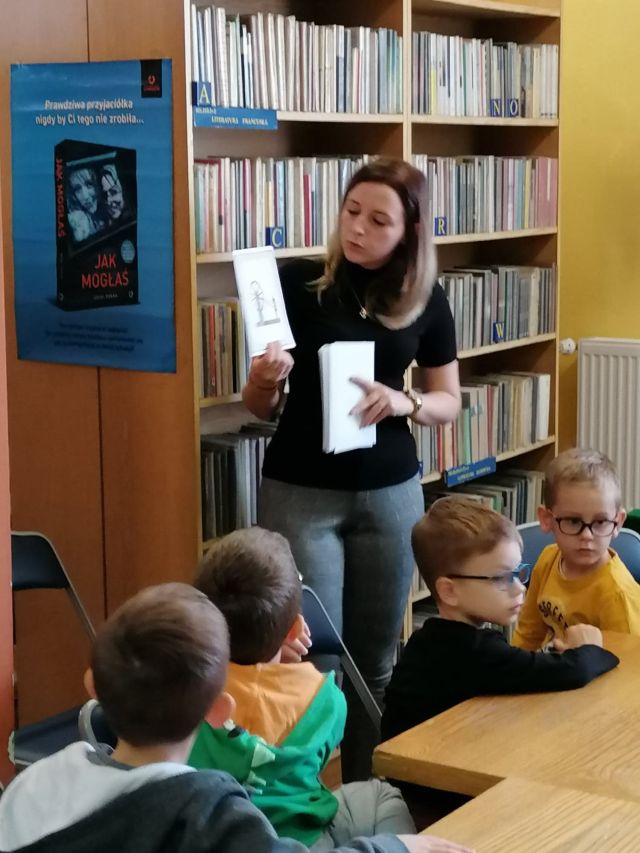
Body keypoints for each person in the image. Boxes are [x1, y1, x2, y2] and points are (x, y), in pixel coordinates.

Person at [242, 158, 461, 781]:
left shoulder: (424, 297)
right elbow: (259, 406)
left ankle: (366, 797)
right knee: (312, 662)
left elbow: (448, 401)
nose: (358, 228)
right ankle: (305, 801)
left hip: (390, 492)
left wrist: (404, 401)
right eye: (351, 211)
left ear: (410, 232)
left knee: (375, 661)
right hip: (301, 490)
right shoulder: (298, 283)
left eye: (379, 220)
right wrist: (264, 380)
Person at [0, 583, 470, 853]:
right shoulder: (205, 809)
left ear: (93, 687)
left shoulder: (34, 783)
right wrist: (400, 847)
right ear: (218, 711)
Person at [190, 528, 426, 851]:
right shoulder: (325, 698)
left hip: (220, 840)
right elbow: (313, 762)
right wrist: (284, 668)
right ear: (295, 630)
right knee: (381, 794)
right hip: (304, 842)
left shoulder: (185, 689)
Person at [381, 496, 619, 743]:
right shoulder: (473, 651)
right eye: (500, 578)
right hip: (419, 766)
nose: (519, 588)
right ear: (449, 591)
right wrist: (589, 647)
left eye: (518, 573)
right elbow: (571, 672)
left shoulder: (430, 638)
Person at [513, 448, 640, 650]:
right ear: (547, 519)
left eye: (600, 522)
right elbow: (528, 635)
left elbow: (627, 664)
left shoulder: (617, 595)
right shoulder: (547, 560)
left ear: (617, 523)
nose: (587, 535)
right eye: (573, 521)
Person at [66, 166, 105, 241]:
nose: (85, 196)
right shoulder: (79, 220)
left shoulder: (108, 209)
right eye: (77, 189)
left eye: (89, 184)